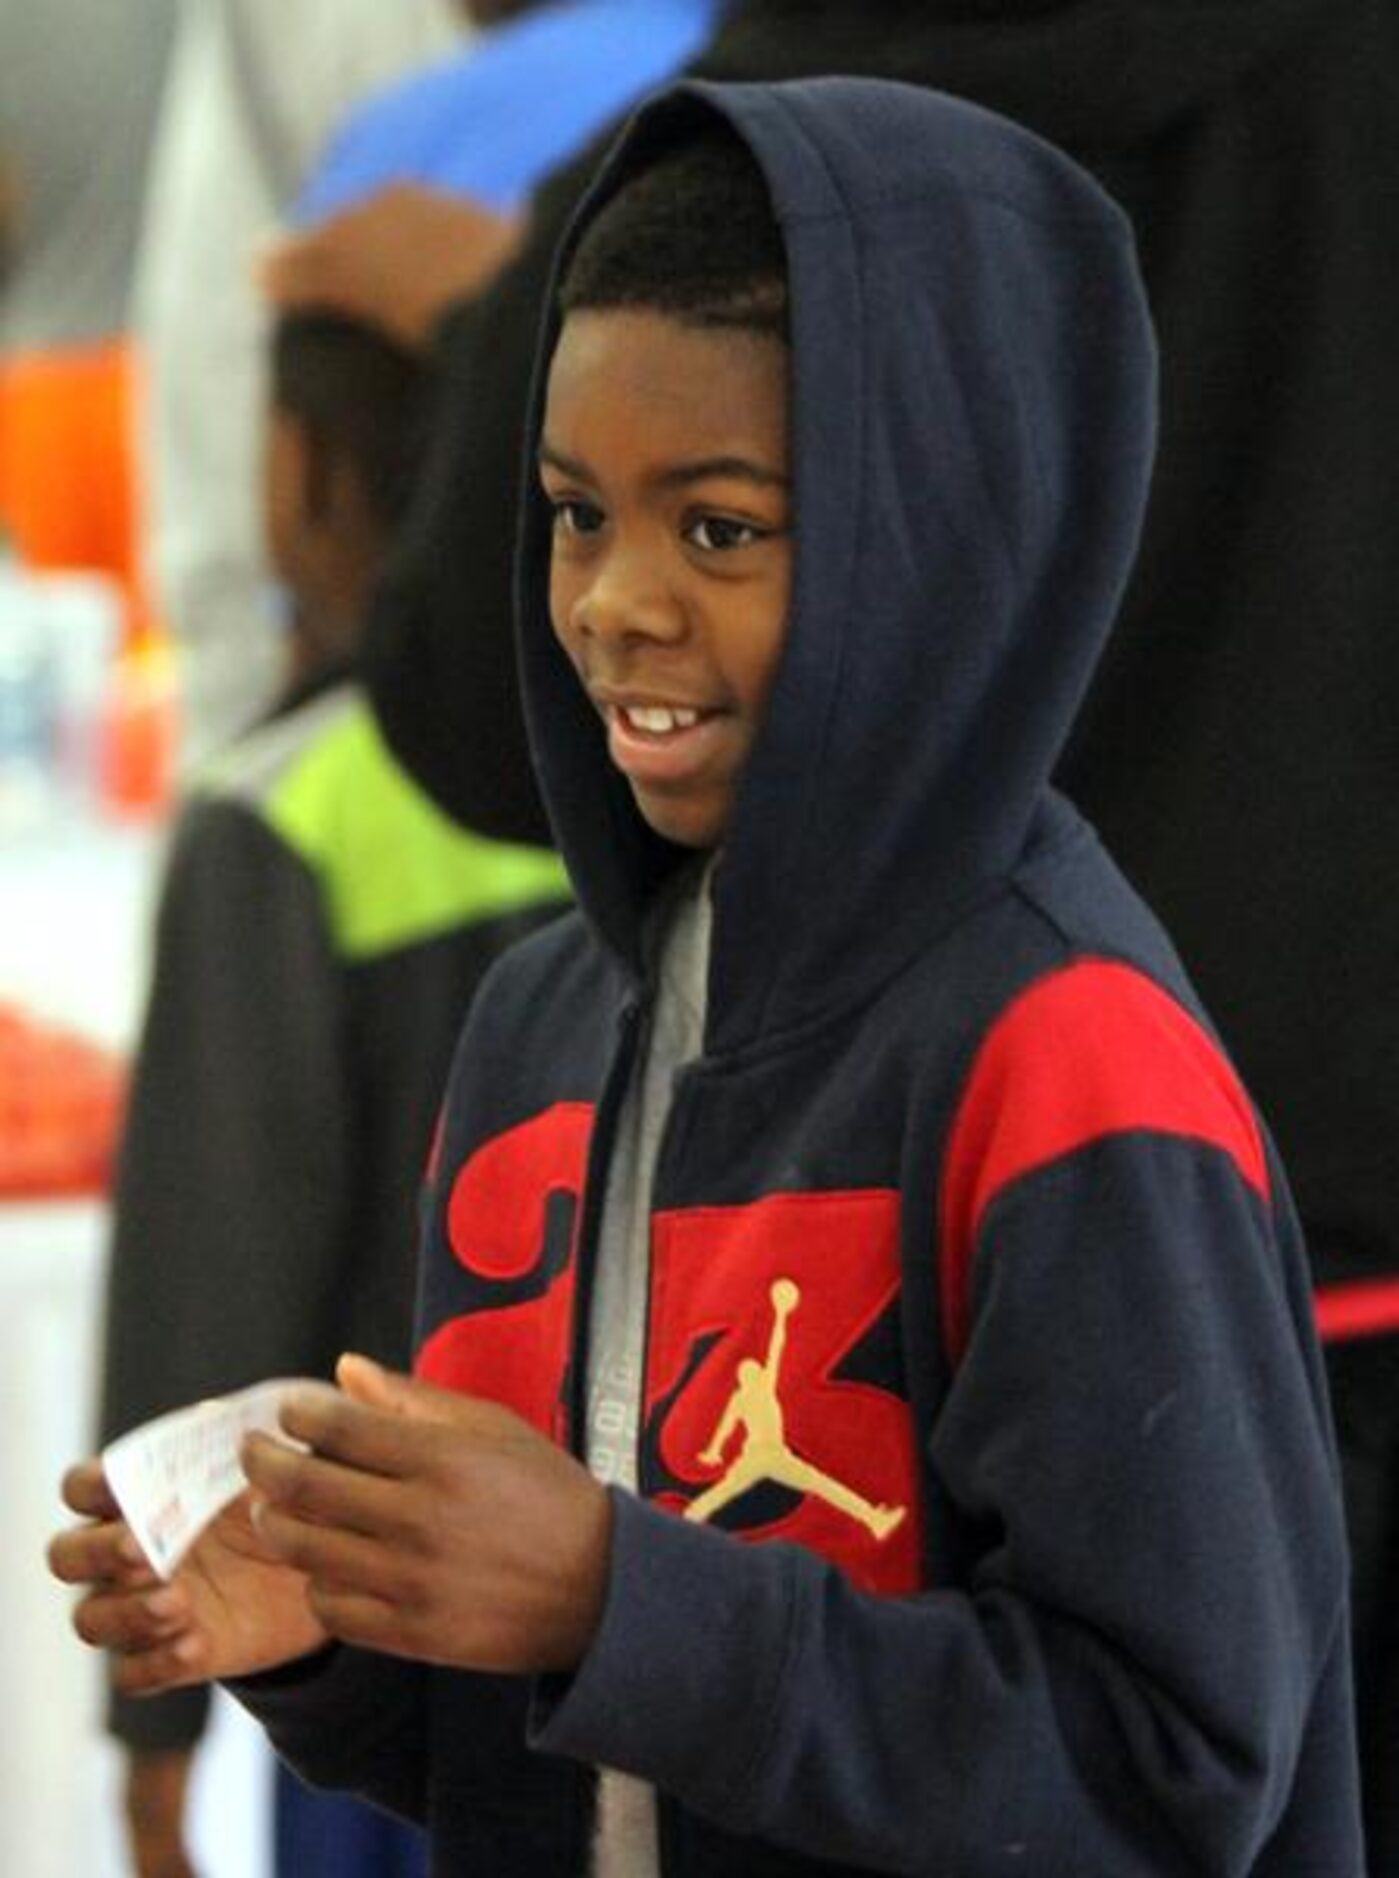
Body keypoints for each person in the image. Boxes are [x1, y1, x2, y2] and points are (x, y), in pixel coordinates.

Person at [54, 79, 1363, 1875]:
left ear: (942, 538)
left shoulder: (1065, 1064)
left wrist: (612, 1594)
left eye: (721, 527)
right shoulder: (538, 1034)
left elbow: (1171, 1774)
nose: (611, 603)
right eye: (579, 514)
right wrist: (341, 1633)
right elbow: (585, 1760)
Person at [94, 307, 568, 1877]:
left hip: (372, 1613)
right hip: (620, 1568)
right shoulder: (620, 773)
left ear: (303, 481)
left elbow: (210, 1270)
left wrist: (151, 1727)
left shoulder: (283, 813)